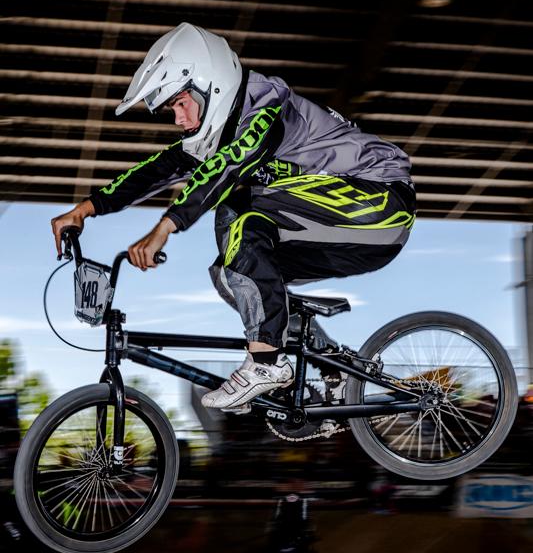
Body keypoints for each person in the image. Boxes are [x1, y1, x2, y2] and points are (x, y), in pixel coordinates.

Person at [51, 22, 416, 411]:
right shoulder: (220, 133)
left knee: (242, 216)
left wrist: (165, 227)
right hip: (344, 230)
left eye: (181, 103)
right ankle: (333, 367)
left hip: (379, 203)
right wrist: (85, 209)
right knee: (232, 274)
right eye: (172, 110)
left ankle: (266, 363)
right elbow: (156, 170)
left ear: (210, 85)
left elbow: (228, 167)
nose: (178, 119)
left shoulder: (267, 108)